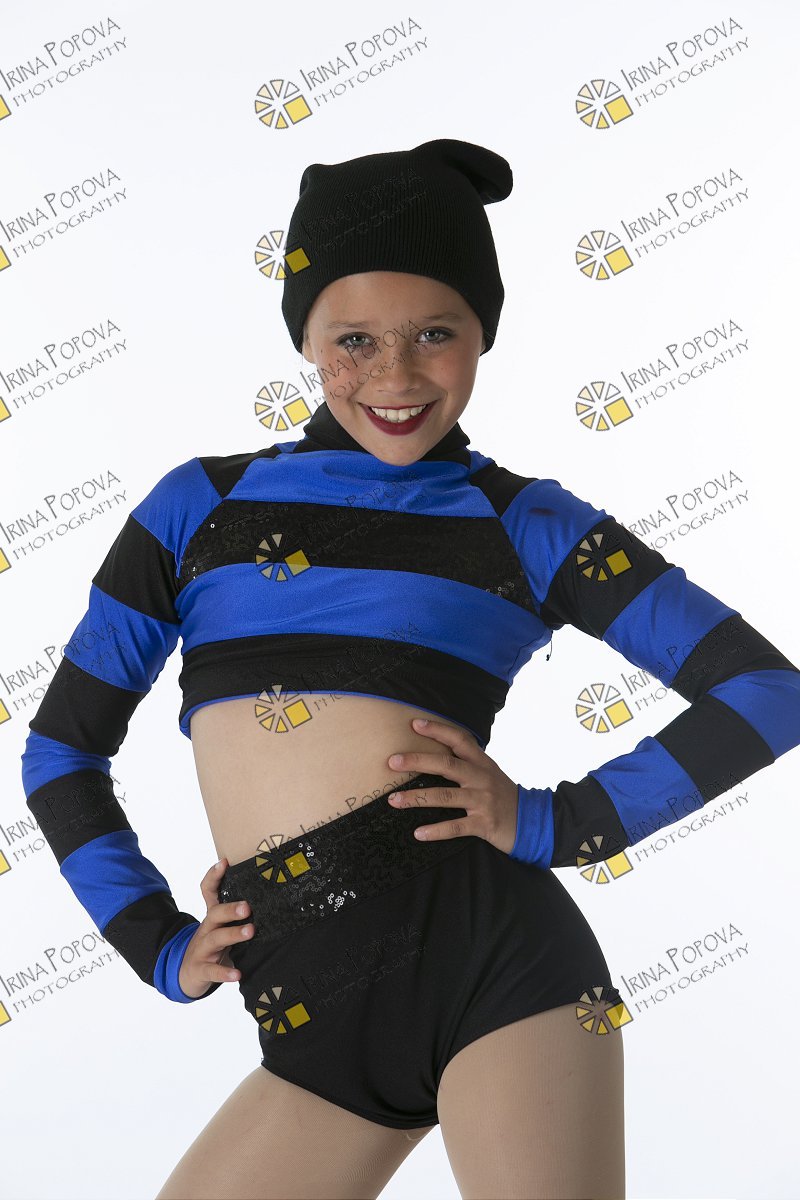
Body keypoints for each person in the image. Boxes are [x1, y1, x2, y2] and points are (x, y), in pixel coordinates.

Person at [20, 139, 800, 1200]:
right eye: (354, 341)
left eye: (436, 333)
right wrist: (154, 941)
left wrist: (556, 822)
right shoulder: (195, 509)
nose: (394, 376)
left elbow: (765, 690)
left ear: (483, 333)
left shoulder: (528, 523)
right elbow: (61, 753)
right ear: (305, 340)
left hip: (505, 977)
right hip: (314, 1018)